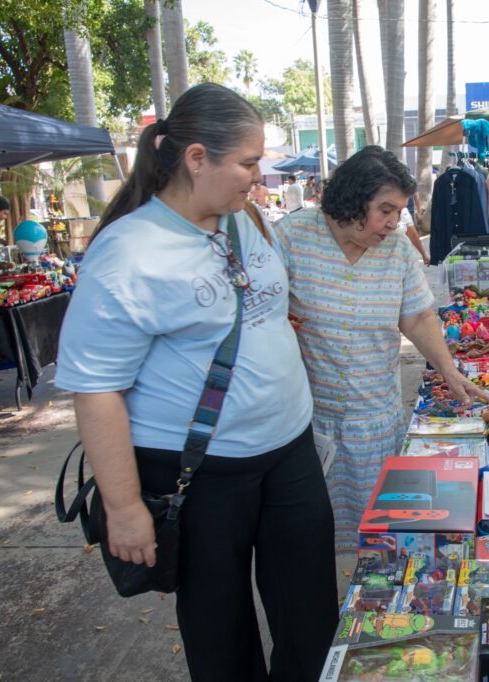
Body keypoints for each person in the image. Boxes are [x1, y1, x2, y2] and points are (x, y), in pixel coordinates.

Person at [53, 83, 337, 682]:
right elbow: (96, 390)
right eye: (248, 163)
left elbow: (255, 305)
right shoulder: (128, 252)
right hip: (201, 472)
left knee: (309, 609)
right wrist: (125, 507)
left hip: (288, 450)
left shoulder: (244, 219)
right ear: (196, 158)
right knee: (220, 624)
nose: (259, 178)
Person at [274, 146, 489, 550]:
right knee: (307, 540)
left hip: (375, 421)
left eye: (399, 212)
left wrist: (448, 370)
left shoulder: (397, 252)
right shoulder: (291, 236)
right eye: (385, 210)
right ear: (352, 199)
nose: (394, 223)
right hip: (308, 424)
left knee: (380, 540)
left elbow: (418, 317)